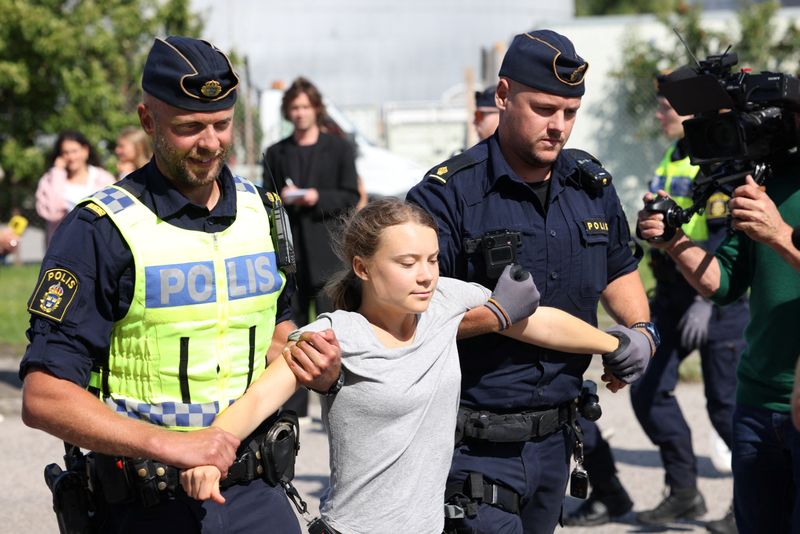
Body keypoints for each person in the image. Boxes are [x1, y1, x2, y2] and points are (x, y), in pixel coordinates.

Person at [19, 36, 340, 533]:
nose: (210, 142)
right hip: (148, 504)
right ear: (149, 121)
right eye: (189, 128)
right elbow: (44, 395)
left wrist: (312, 357)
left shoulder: (265, 213)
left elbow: (276, 333)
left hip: (258, 493)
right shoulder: (100, 229)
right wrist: (171, 445)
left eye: (222, 124)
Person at [180, 198, 650, 534]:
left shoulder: (443, 301)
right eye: (407, 262)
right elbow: (262, 395)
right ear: (362, 268)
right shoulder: (335, 332)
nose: (425, 274)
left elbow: (534, 322)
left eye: (432, 259)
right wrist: (207, 453)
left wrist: (614, 343)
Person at [407, 29, 656, 533]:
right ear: (503, 95)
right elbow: (404, 320)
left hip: (558, 441)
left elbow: (619, 267)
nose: (558, 126)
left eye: (569, 112)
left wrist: (642, 330)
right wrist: (494, 316)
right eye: (544, 109)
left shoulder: (590, 185)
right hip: (470, 446)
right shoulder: (448, 195)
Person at [565, 77, 748, 533]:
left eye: (668, 107)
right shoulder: (675, 155)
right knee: (647, 389)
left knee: (726, 406)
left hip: (713, 298)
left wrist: (710, 303)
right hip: (672, 293)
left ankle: (747, 505)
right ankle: (684, 491)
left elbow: (731, 241)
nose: (660, 114)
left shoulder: (721, 160)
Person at [637, 140, 800, 532]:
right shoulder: (770, 181)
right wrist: (672, 240)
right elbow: (724, 281)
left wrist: (779, 234)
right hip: (757, 405)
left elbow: (777, 238)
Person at [264, 76, 360, 420]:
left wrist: (316, 197)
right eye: (294, 108)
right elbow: (268, 200)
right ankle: (292, 404)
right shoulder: (277, 153)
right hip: (290, 256)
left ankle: (341, 395)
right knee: (289, 331)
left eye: (305, 107)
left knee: (332, 328)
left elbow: (350, 196)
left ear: (316, 109)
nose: (300, 113)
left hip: (327, 254)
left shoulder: (339, 150)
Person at [35, 130, 117, 246]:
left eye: (74, 151)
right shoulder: (50, 179)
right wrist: (57, 173)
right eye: (65, 152)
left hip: (97, 244)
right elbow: (52, 213)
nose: (71, 157)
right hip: (63, 246)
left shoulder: (103, 178)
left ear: (85, 151)